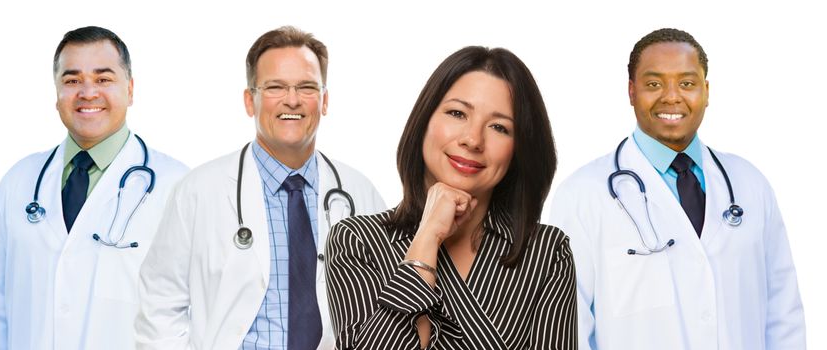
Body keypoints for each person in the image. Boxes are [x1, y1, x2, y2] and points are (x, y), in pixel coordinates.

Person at [549, 28, 806, 350]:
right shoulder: (582, 195)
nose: (672, 97)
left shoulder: (750, 184)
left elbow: (784, 315)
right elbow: (565, 329)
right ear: (631, 91)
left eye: (687, 83)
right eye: (654, 84)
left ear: (706, 91)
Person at [135, 26, 386, 350]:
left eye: (307, 87)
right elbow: (159, 305)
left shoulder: (360, 194)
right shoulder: (198, 192)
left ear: (324, 100)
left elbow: (387, 310)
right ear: (249, 101)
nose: (292, 100)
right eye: (275, 87)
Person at [326, 46, 577, 349]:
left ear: (518, 149)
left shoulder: (547, 253)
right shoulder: (357, 240)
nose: (472, 139)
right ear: (424, 122)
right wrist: (428, 237)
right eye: (457, 113)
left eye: (499, 127)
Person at [0, 26, 189, 349]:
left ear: (130, 89)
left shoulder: (178, 187)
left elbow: (199, 314)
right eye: (72, 81)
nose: (87, 93)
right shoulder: (18, 183)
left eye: (103, 79)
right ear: (56, 94)